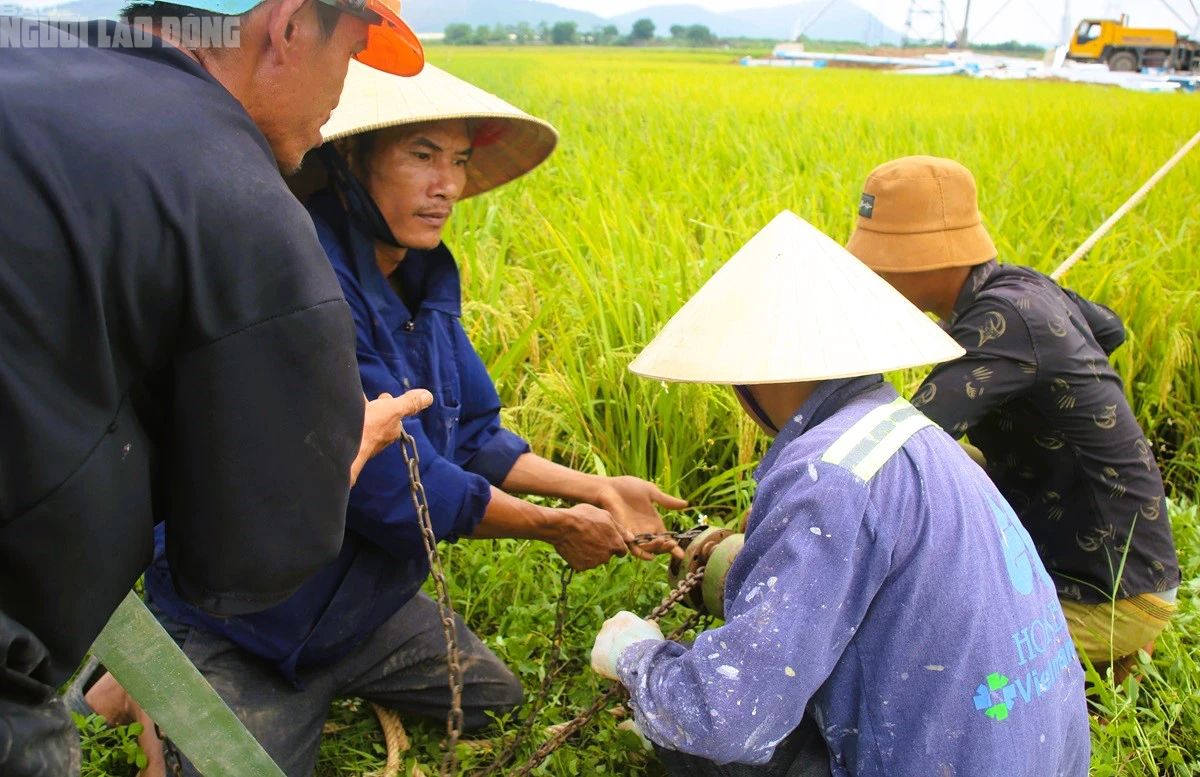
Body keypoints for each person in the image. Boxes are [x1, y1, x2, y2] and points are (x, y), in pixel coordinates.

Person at [133, 61, 687, 777]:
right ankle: (149, 673)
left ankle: (310, 671)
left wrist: (594, 486)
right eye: (422, 155)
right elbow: (392, 491)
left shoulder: (423, 283)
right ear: (351, 160)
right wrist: (552, 525)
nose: (448, 185)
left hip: (362, 609)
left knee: (495, 697)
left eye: (458, 160)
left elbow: (478, 434)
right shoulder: (303, 286)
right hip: (247, 618)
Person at [0, 0, 427, 772]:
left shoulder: (28, 59)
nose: (345, 94)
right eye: (352, 52)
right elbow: (246, 561)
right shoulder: (238, 196)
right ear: (292, 26)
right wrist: (340, 454)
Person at [590, 211, 1090, 776]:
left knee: (690, 732)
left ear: (747, 373)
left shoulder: (825, 476)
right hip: (1038, 753)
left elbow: (725, 714)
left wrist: (637, 656)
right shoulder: (911, 432)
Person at [845, 156, 1180, 681]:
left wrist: (804, 497)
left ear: (929, 257)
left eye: (883, 261)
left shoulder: (1004, 320)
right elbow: (1108, 329)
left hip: (1108, 594)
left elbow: (899, 441)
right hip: (1130, 560)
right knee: (958, 461)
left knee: (896, 629)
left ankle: (1105, 649)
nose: (874, 275)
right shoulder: (1021, 286)